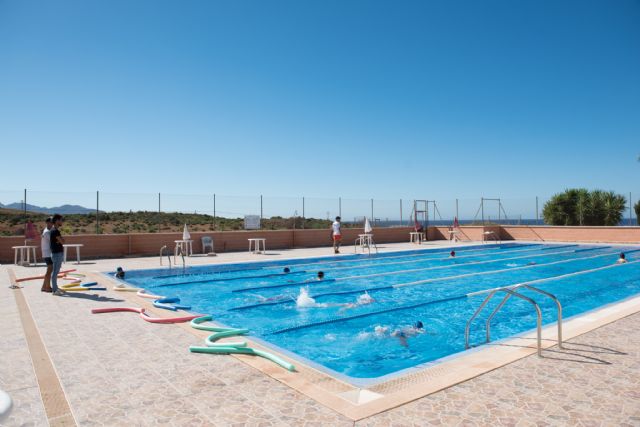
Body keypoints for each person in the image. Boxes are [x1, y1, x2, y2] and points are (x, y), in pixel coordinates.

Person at [49, 214, 66, 296]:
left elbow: (62, 241)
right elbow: (63, 241)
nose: (62, 221)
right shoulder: (55, 231)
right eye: (61, 220)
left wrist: (61, 240)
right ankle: (55, 290)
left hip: (57, 253)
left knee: (56, 271)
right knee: (55, 272)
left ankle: (56, 288)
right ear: (56, 221)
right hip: (56, 254)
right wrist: (61, 240)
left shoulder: (54, 230)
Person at [40, 217, 54, 293]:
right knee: (50, 270)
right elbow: (52, 242)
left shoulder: (48, 231)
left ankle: (44, 287)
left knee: (49, 270)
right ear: (48, 223)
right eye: (52, 222)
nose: (53, 223)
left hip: (47, 253)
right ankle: (48, 287)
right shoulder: (47, 232)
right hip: (47, 253)